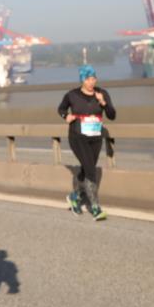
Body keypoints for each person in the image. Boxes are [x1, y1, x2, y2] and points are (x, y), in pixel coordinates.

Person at [58, 65, 116, 221]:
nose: (92, 82)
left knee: (86, 168)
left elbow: (112, 115)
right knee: (91, 170)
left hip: (96, 138)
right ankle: (95, 208)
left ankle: (75, 197)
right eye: (88, 79)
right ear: (82, 80)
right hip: (78, 137)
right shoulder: (72, 95)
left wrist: (103, 102)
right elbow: (61, 109)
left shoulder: (102, 93)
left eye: (93, 78)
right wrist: (66, 117)